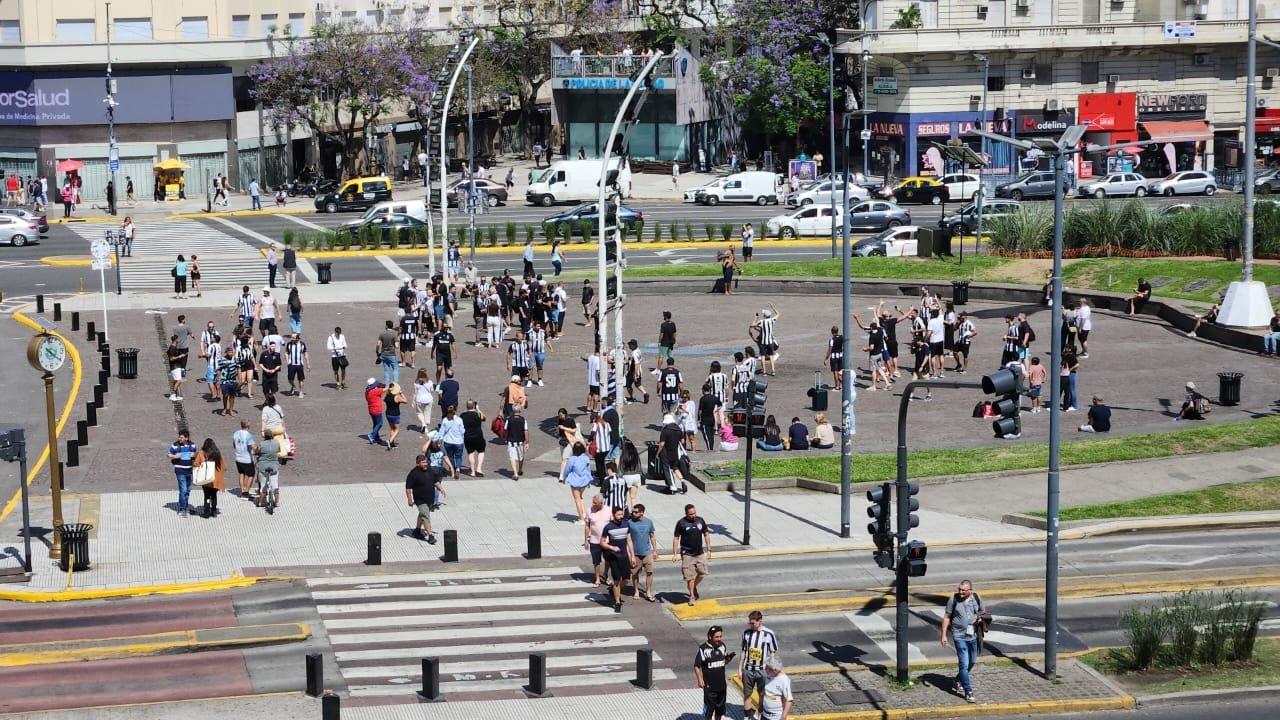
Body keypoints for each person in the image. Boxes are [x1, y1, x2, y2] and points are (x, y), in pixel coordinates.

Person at [940, 579, 986, 703]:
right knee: (964, 664)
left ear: (970, 590)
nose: (960, 592)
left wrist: (980, 619)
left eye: (963, 590)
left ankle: (957, 680)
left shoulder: (976, 598)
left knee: (972, 661)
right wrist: (943, 635)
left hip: (973, 636)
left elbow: (983, 611)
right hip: (959, 636)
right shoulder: (953, 600)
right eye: (959, 589)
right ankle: (968, 691)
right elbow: (946, 617)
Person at [741, 610, 780, 720]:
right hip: (748, 669)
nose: (751, 625)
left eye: (753, 623)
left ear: (760, 621)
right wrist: (740, 669)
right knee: (747, 694)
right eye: (750, 623)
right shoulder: (746, 633)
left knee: (762, 694)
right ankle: (747, 716)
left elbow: (773, 651)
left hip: (762, 670)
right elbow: (743, 651)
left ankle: (760, 714)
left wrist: (772, 666)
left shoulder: (769, 634)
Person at [600, 505, 636, 612]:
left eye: (622, 514)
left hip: (624, 556)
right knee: (616, 580)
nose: (621, 516)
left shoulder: (626, 524)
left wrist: (632, 556)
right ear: (613, 515)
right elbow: (602, 542)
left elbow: (629, 541)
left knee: (625, 580)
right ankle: (617, 602)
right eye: (618, 514)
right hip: (614, 557)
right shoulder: (608, 527)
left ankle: (614, 590)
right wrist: (611, 547)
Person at [674, 504, 711, 605]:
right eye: (691, 514)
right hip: (687, 554)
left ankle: (694, 586)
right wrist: (675, 553)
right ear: (686, 514)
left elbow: (706, 534)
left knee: (702, 573)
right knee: (689, 577)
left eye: (694, 513)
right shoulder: (681, 523)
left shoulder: (700, 520)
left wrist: (709, 550)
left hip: (699, 552)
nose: (693, 515)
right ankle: (692, 596)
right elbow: (676, 538)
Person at [695, 625, 734, 720]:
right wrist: (700, 679)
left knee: (719, 711)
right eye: (716, 637)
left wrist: (728, 659)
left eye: (720, 636)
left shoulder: (722, 646)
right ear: (710, 637)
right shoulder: (703, 648)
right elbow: (696, 665)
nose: (719, 639)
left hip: (721, 686)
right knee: (709, 711)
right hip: (709, 687)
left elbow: (723, 662)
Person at [405, 454, 447, 543]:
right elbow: (408, 488)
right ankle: (430, 536)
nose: (425, 464)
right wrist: (410, 499)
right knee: (426, 516)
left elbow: (435, 481)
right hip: (420, 500)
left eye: (426, 462)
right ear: (418, 463)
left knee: (422, 514)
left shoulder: (430, 470)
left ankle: (417, 530)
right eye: (423, 462)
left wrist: (441, 489)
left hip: (429, 499)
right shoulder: (413, 474)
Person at [193, 438, 226, 519]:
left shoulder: (201, 453)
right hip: (215, 479)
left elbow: (196, 463)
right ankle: (214, 511)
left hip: (206, 479)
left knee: (207, 496)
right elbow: (224, 466)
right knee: (214, 495)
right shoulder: (218, 453)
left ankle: (207, 512)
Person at [167, 429, 197, 517]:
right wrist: (174, 456)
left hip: (189, 470)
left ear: (186, 438)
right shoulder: (175, 445)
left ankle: (186, 506)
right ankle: (182, 509)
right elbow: (168, 455)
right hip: (180, 470)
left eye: (181, 437)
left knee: (188, 490)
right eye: (179, 437)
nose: (179, 438)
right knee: (183, 490)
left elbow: (195, 454)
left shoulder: (192, 445)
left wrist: (194, 455)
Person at [584, 494, 611, 586]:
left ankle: (606, 575)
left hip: (606, 540)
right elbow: (587, 526)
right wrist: (586, 539)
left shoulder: (608, 510)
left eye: (595, 503)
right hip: (594, 540)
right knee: (596, 560)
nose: (593, 504)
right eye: (593, 502)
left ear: (601, 502)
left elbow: (612, 525)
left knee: (608, 559)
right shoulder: (589, 510)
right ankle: (597, 578)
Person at [657, 413, 687, 494]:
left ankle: (672, 487)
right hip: (676, 452)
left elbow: (662, 444)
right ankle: (682, 481)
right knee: (675, 467)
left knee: (667, 469)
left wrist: (658, 453)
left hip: (666, 453)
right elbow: (683, 441)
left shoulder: (665, 430)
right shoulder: (678, 429)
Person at [255, 428, 282, 513]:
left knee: (263, 486)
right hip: (274, 466)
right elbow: (279, 450)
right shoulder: (276, 443)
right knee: (275, 485)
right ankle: (277, 502)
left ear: (264, 436)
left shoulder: (262, 444)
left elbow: (257, 451)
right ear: (272, 435)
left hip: (263, 467)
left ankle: (260, 502)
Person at [564, 443, 593, 523]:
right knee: (581, 497)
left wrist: (564, 477)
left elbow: (567, 469)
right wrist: (589, 480)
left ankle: (581, 518)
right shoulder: (586, 458)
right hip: (584, 480)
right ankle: (583, 514)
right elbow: (588, 470)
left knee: (577, 499)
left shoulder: (572, 459)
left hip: (575, 481)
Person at [460, 399, 486, 476]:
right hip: (478, 436)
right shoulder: (478, 414)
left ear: (466, 406)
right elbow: (484, 418)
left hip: (467, 436)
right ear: (474, 406)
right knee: (481, 451)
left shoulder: (462, 415)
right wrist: (478, 409)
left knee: (470, 453)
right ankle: (479, 468)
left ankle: (472, 472)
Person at [438, 404, 465, 477]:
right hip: (458, 441)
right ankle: (458, 469)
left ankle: (452, 467)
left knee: (450, 456)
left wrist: (440, 440)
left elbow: (441, 432)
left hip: (448, 441)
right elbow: (462, 431)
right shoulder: (459, 420)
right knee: (458, 456)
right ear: (455, 411)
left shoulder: (445, 420)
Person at [505, 405, 529, 481]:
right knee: (520, 457)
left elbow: (505, 429)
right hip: (520, 441)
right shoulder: (523, 420)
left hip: (511, 441)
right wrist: (527, 442)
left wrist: (506, 438)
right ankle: (520, 469)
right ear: (519, 411)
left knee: (512, 457)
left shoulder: (509, 419)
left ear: (512, 411)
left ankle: (515, 473)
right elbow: (525, 431)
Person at [384, 382, 407, 451]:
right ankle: (390, 441)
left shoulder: (387, 395)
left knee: (392, 429)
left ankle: (392, 444)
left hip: (388, 414)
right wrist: (401, 393)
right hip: (395, 415)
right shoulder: (396, 397)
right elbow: (406, 401)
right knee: (397, 430)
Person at [377, 320, 399, 387]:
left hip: (384, 354)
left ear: (386, 326)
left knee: (386, 370)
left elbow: (378, 344)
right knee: (395, 368)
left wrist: (377, 352)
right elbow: (397, 346)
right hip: (392, 354)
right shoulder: (394, 334)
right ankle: (395, 384)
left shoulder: (382, 334)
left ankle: (386, 385)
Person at [166, 334, 188, 402]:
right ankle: (173, 395)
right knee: (179, 380)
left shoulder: (174, 347)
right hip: (175, 366)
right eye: (178, 339)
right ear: (175, 340)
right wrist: (179, 356)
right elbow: (171, 358)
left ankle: (176, 395)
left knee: (176, 380)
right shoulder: (172, 348)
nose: (179, 340)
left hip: (177, 365)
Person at [365, 378, 386, 446]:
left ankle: (376, 437)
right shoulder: (375, 391)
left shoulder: (367, 391)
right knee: (380, 423)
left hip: (371, 409)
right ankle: (372, 435)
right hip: (377, 410)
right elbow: (386, 389)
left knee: (375, 424)